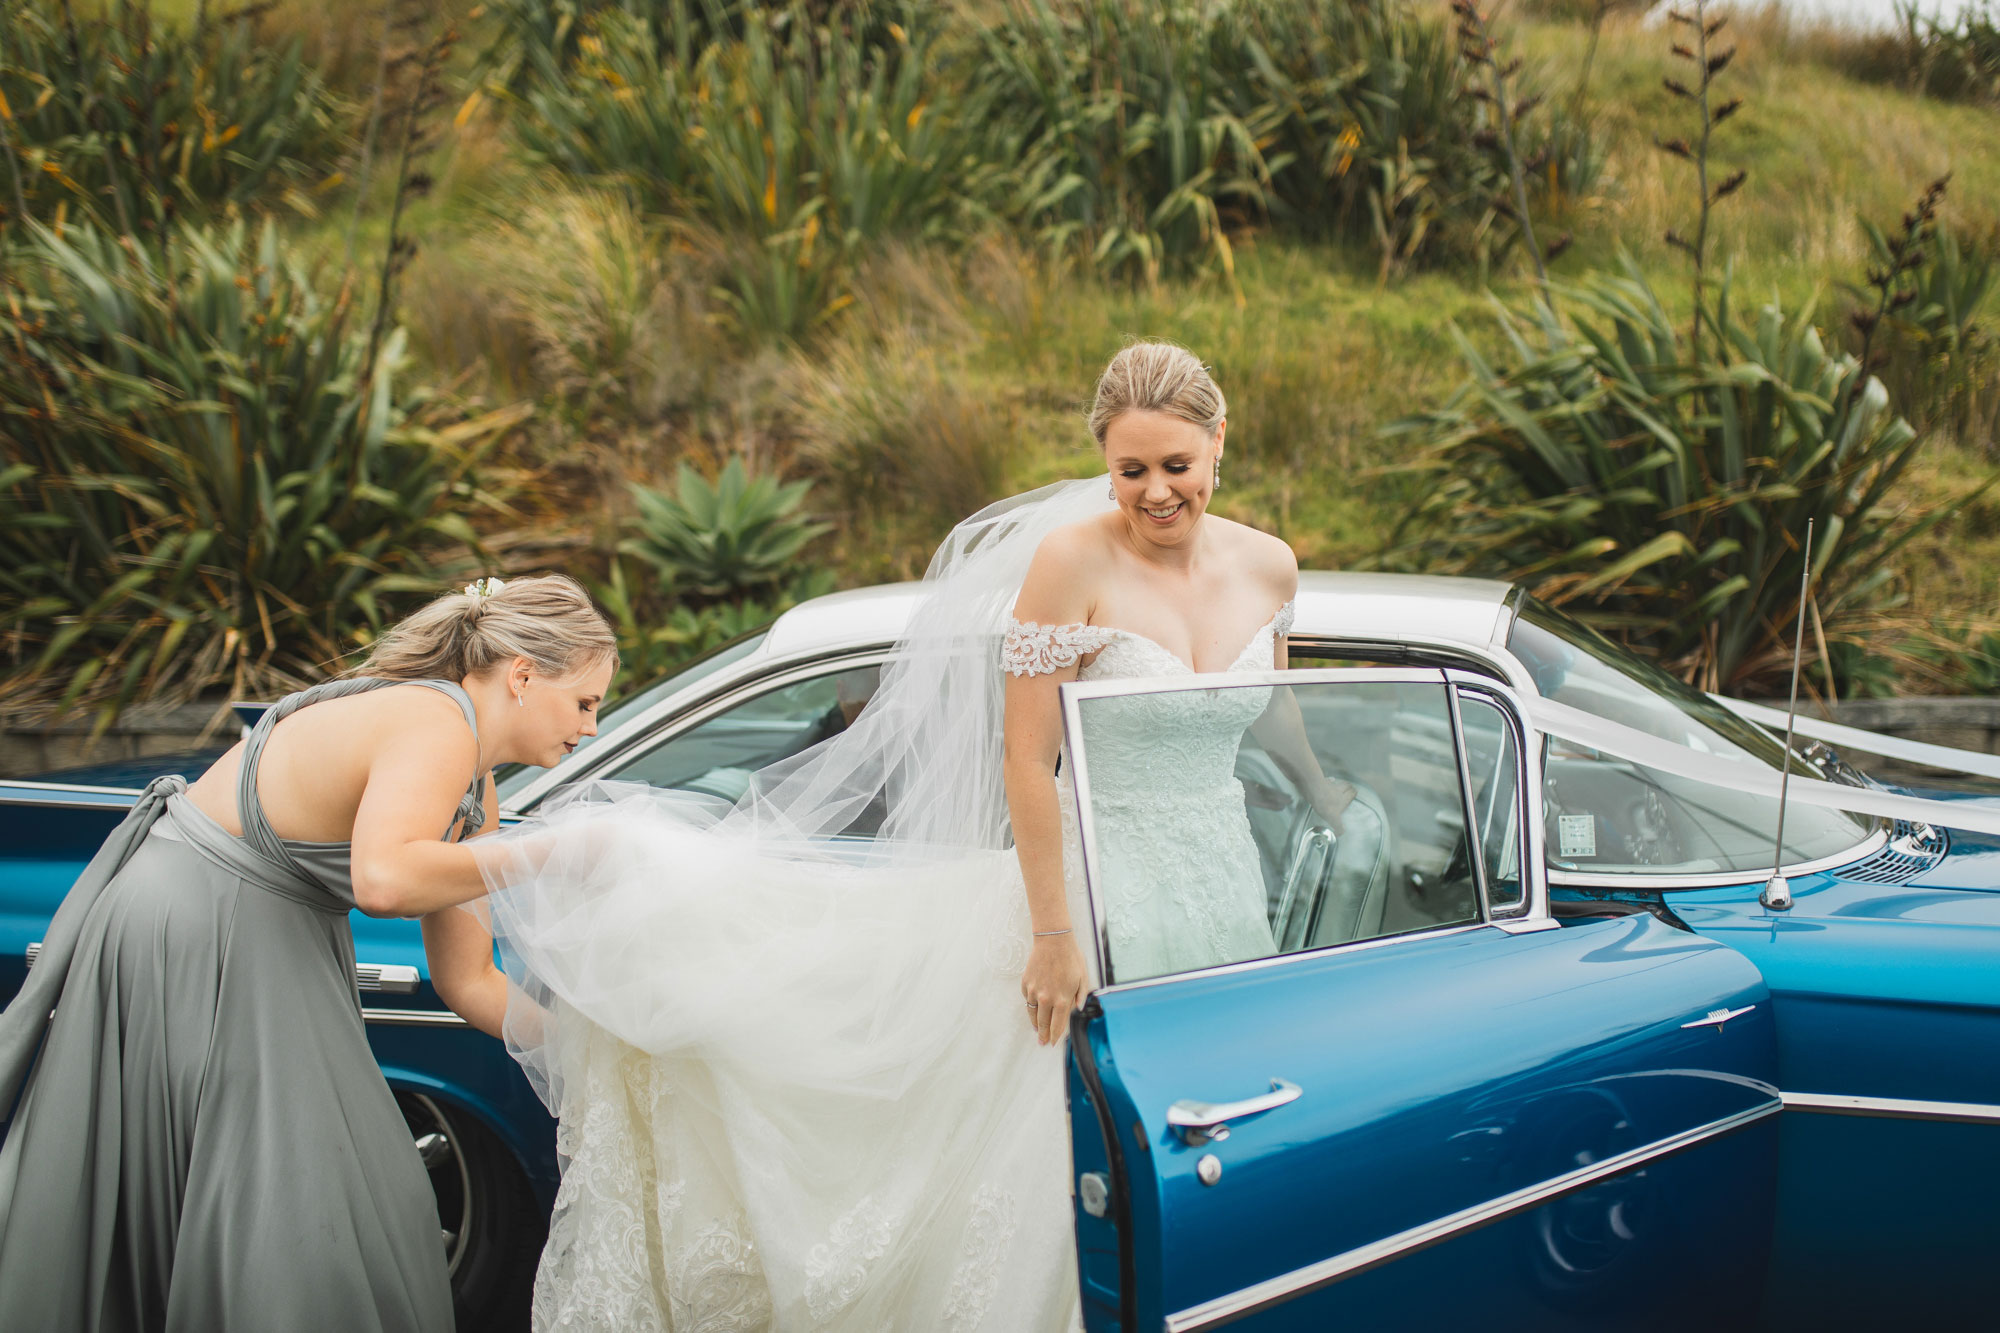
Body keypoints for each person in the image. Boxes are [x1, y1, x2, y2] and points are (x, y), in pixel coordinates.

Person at [451, 341, 1346, 1330]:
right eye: (1129, 469)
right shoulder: (1072, 561)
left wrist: (1328, 795)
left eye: (1175, 464)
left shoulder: (1270, 564)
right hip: (1093, 892)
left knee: (1208, 1128)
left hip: (1218, 882)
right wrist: (1052, 935)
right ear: (1104, 461)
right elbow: (1024, 763)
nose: (1154, 491)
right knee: (1068, 1155)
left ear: (1218, 443)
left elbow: (1280, 708)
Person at [0, 574, 616, 1333]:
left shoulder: (472, 777)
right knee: (292, 1193)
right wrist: (550, 852)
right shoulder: (435, 722)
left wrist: (595, 1053)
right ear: (522, 675)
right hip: (199, 925)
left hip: (265, 933)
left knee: (351, 1192)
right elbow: (385, 878)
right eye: (585, 703)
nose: (589, 728)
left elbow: (468, 979)